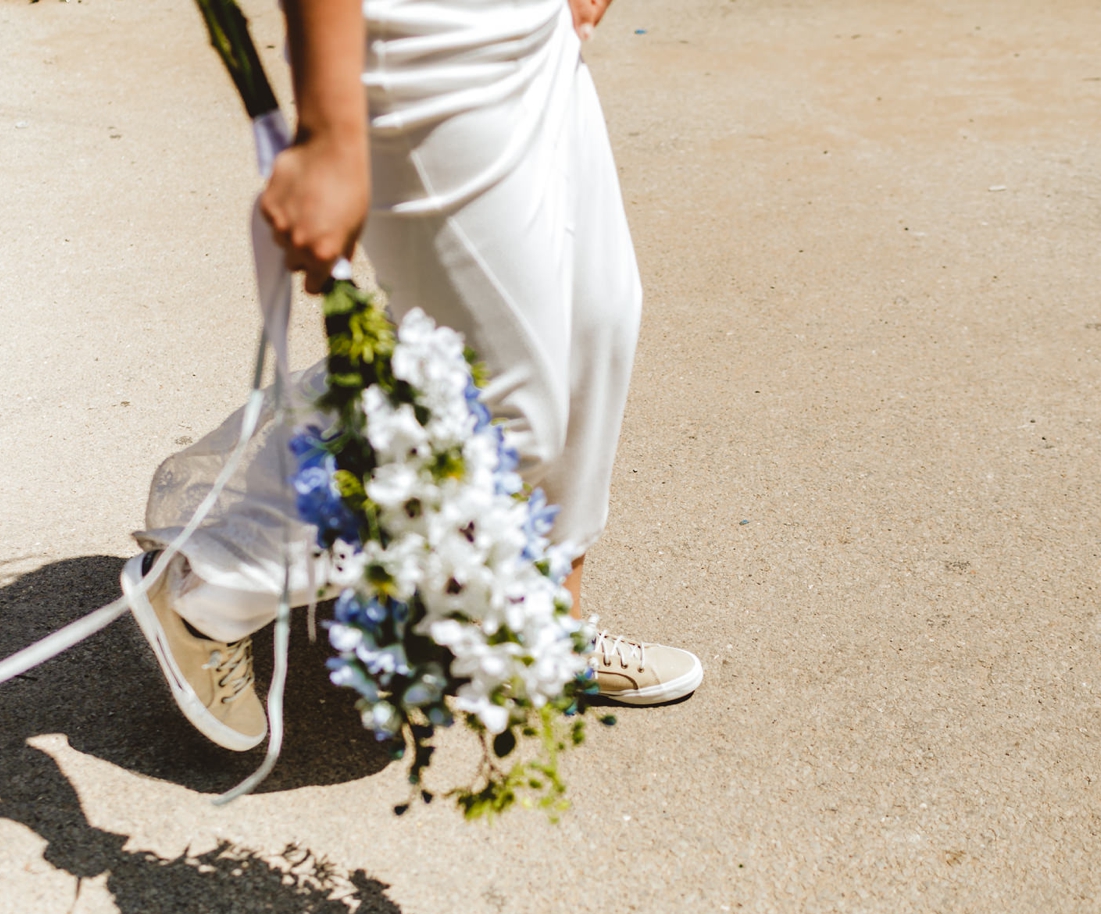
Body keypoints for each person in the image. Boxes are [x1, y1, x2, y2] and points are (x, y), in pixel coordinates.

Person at [122, 0, 702, 752]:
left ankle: (531, 629)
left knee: (596, 318)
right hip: (423, 36)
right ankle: (214, 587)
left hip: (532, 25)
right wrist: (330, 133)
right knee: (489, 411)